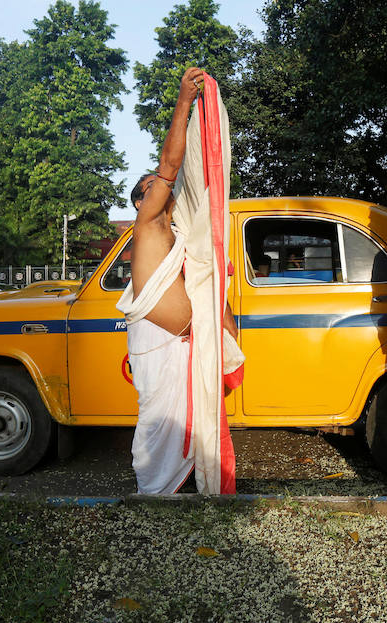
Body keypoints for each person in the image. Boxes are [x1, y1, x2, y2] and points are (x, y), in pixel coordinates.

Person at [117, 67, 240, 494]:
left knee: (192, 425)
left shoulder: (180, 231)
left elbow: (203, 280)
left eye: (158, 185)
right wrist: (185, 102)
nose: (159, 186)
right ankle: (154, 494)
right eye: (149, 186)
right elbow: (171, 164)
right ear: (139, 201)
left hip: (188, 346)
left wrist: (224, 324)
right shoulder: (148, 222)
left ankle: (185, 490)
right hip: (160, 348)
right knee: (157, 423)